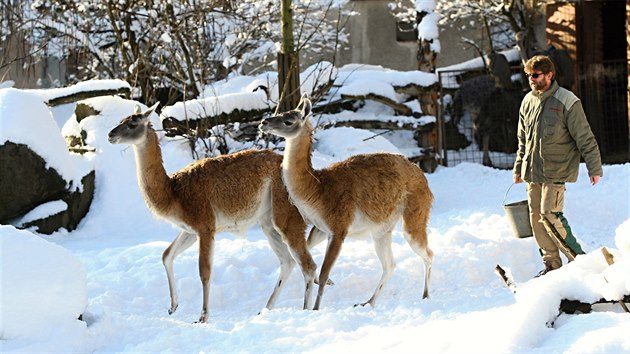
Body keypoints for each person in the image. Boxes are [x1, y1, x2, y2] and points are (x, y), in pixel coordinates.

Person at [513, 55, 602, 277]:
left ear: (549, 75)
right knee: (535, 218)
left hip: (557, 170)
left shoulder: (567, 101)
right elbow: (522, 139)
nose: (531, 80)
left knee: (550, 214)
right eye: (528, 76)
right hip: (532, 171)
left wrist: (594, 168)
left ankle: (580, 261)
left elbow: (585, 137)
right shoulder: (528, 101)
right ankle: (552, 265)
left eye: (535, 75)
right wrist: (518, 168)